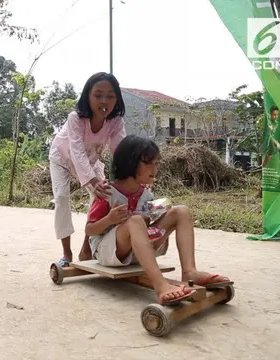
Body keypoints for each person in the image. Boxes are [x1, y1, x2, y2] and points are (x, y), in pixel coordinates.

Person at [85, 135, 232, 305]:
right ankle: (160, 285)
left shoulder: (146, 194)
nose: (154, 168)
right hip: (108, 252)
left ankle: (190, 272)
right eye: (149, 163)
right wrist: (110, 219)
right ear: (131, 162)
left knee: (181, 211)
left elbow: (146, 223)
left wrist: (157, 216)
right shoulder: (107, 192)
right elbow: (90, 230)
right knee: (135, 221)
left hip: (138, 252)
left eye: (156, 163)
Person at [49, 72, 127, 268]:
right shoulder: (75, 118)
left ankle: (87, 248)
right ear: (88, 96)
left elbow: (121, 151)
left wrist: (128, 177)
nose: (104, 101)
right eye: (98, 95)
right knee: (61, 198)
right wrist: (92, 182)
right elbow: (76, 151)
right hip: (62, 158)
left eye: (110, 96)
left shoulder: (116, 121)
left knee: (102, 196)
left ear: (117, 98)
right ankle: (67, 253)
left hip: (90, 162)